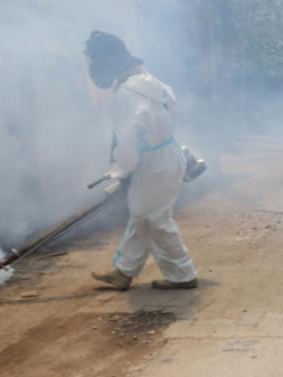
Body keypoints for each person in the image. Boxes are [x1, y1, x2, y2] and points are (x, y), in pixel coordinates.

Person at [85, 31, 199, 291]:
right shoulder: (150, 82)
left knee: (155, 220)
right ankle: (124, 272)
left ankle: (183, 275)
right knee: (143, 216)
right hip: (165, 155)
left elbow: (128, 139)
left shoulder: (128, 93)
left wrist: (121, 170)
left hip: (153, 162)